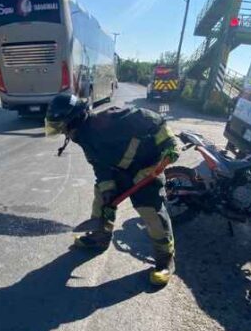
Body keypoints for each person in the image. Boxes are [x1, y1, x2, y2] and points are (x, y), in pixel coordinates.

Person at [44, 94, 180, 286]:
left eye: (61, 126)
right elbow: (99, 164)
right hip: (121, 170)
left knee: (150, 211)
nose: (62, 132)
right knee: (101, 198)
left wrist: (170, 145)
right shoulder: (81, 135)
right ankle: (101, 237)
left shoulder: (111, 119)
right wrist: (108, 190)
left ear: (73, 120)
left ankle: (165, 259)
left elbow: (155, 121)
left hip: (148, 168)